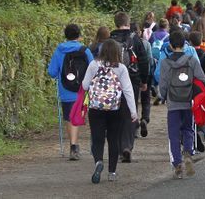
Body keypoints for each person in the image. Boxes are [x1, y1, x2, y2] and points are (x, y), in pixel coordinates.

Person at [81, 39, 137, 184]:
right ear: (118, 52)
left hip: (96, 108)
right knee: (113, 139)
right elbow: (128, 90)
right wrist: (133, 111)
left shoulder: (94, 65)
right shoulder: (121, 68)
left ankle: (98, 161)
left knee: (97, 138)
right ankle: (112, 172)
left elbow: (85, 85)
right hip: (115, 109)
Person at [158, 30, 205, 180]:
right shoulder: (192, 60)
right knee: (188, 129)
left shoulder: (166, 62)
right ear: (185, 44)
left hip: (173, 103)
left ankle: (177, 163)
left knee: (173, 134)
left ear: (171, 46)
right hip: (188, 102)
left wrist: (164, 96)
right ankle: (188, 153)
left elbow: (163, 85)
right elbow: (202, 79)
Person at [47, 23, 94, 160]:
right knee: (78, 115)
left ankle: (73, 146)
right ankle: (80, 146)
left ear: (65, 36)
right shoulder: (85, 50)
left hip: (65, 89)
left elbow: (52, 72)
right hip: (82, 90)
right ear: (79, 35)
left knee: (69, 117)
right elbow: (93, 69)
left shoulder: (59, 50)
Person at [108, 12, 150, 163]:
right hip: (132, 80)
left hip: (112, 81)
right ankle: (127, 146)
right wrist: (144, 80)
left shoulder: (109, 40)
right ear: (128, 22)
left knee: (115, 113)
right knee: (130, 112)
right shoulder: (135, 39)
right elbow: (144, 61)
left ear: (115, 23)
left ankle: (119, 149)